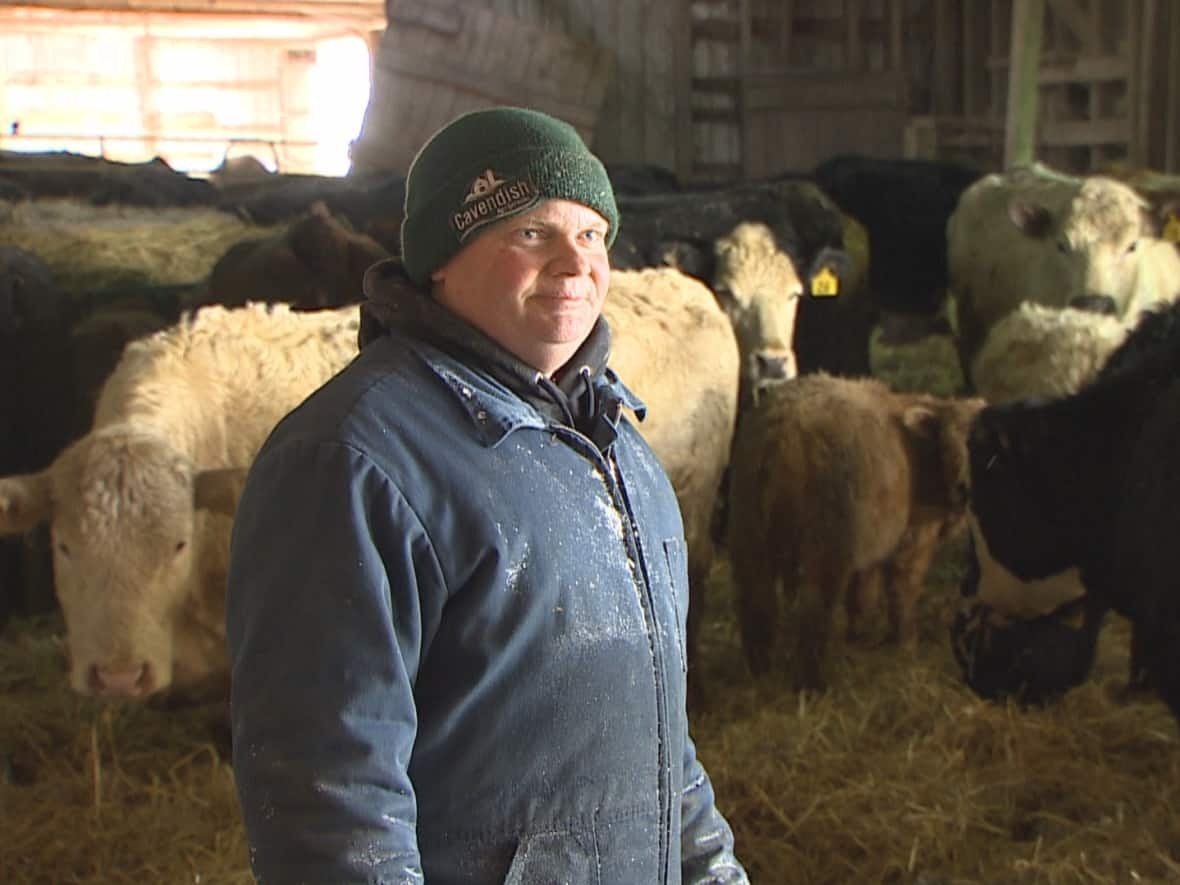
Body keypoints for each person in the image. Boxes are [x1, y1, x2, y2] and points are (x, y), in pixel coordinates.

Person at [225, 106, 749, 884]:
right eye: (531, 234)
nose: (576, 265)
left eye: (593, 234)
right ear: (442, 257)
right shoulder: (350, 463)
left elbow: (662, 750)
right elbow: (331, 804)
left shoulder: (622, 451)